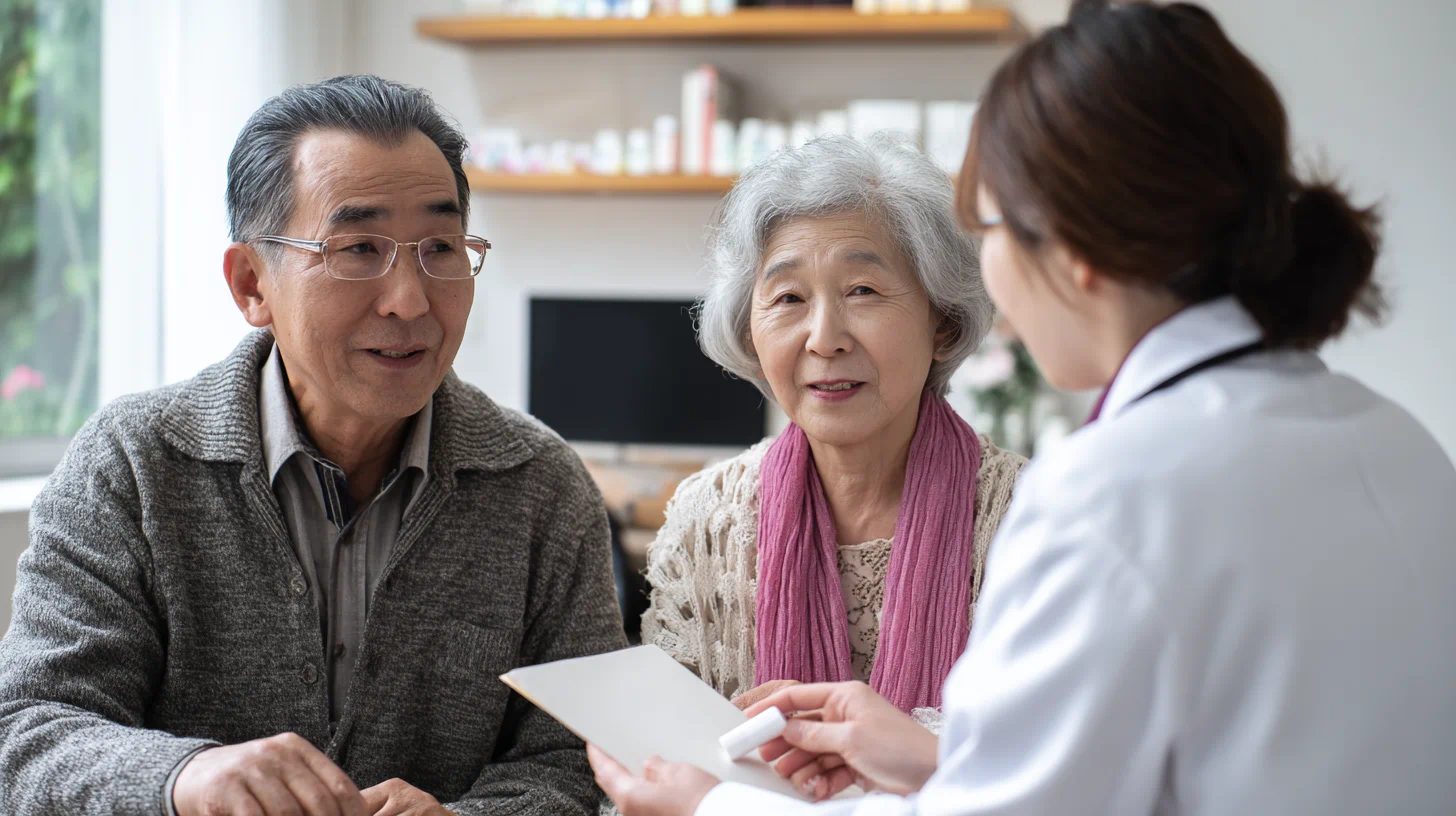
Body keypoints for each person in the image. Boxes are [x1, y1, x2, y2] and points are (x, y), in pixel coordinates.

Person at [587, 2, 1456, 814]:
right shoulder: (1397, 442)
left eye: (991, 231)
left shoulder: (1106, 496)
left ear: (1078, 248)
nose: (989, 280)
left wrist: (710, 805)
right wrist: (937, 757)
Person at [0, 75, 627, 816]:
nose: (410, 299)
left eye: (440, 246)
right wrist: (185, 779)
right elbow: (29, 737)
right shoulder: (133, 464)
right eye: (359, 247)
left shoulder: (539, 484)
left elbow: (578, 757)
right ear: (251, 284)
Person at [638, 136, 1026, 740]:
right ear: (749, 331)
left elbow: (1061, 770)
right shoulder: (705, 521)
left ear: (943, 321)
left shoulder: (1033, 519)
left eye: (862, 291)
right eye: (788, 298)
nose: (824, 338)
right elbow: (659, 756)